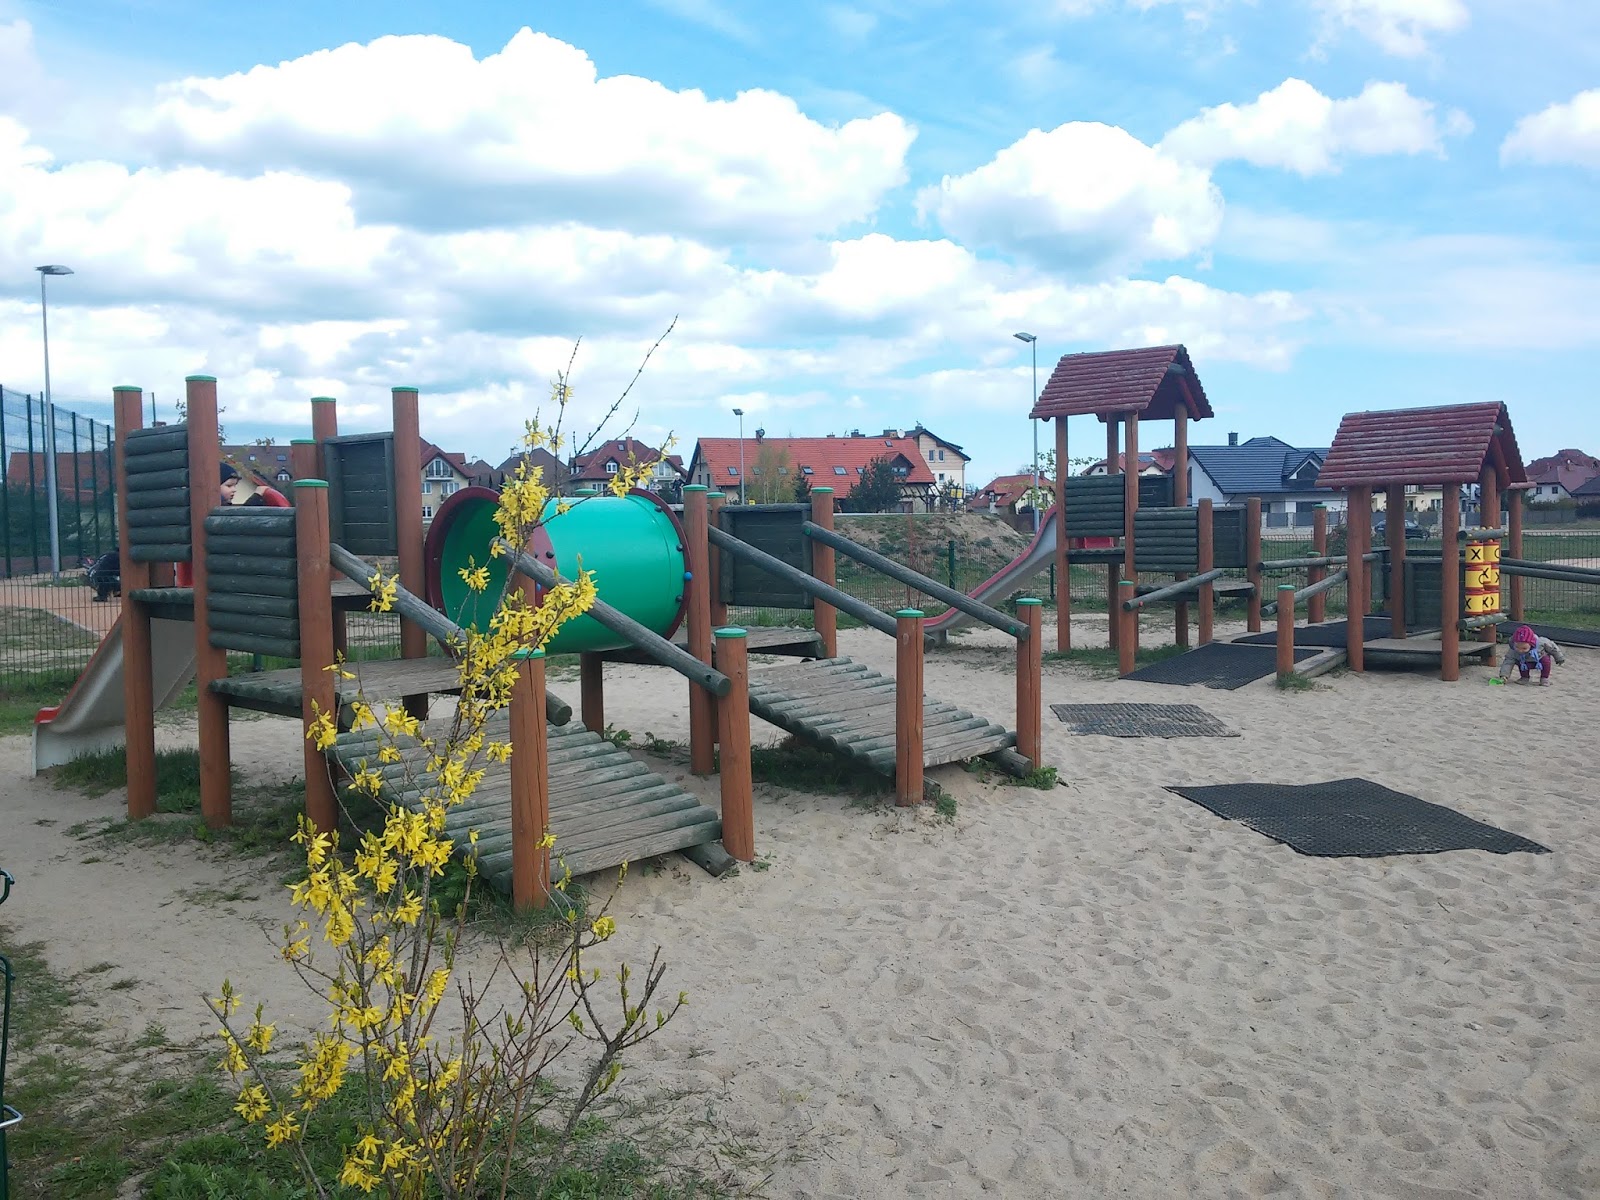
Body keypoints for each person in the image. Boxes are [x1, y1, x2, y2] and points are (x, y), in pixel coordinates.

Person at [1499, 624, 1565, 686]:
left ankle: (1544, 678)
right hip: (1524, 662)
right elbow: (1508, 662)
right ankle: (1524, 677)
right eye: (1517, 647)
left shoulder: (1541, 643)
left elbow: (1553, 648)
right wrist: (1504, 675)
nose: (1520, 650)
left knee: (1546, 659)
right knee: (1519, 661)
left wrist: (1559, 658)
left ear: (1531, 644)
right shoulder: (1513, 650)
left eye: (1524, 648)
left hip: (1539, 660)